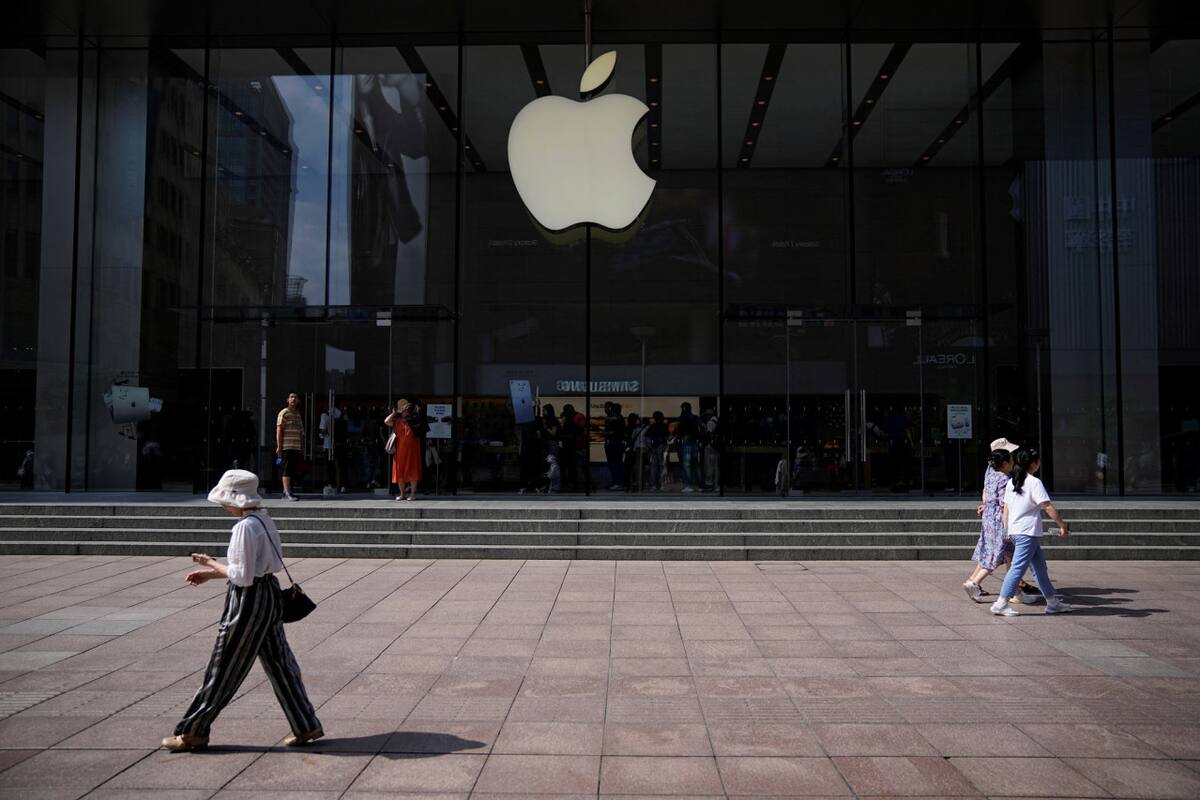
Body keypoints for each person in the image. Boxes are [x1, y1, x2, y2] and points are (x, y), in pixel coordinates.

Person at [161, 469, 322, 752]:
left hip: (249, 601)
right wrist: (210, 573)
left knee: (224, 666)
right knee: (280, 663)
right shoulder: (264, 519)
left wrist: (211, 564)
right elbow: (255, 568)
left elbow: (243, 577)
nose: (224, 507)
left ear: (234, 500)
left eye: (225, 501)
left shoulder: (245, 527)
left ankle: (194, 731)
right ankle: (305, 723)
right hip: (270, 595)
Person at [991, 448, 1073, 617]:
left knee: (1039, 568)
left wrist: (1007, 529)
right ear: (1034, 464)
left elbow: (1005, 507)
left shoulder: (1012, 481)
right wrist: (1062, 525)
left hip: (1018, 531)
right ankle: (1001, 603)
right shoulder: (1034, 482)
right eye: (1038, 461)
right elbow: (1047, 506)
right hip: (1026, 532)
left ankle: (1052, 602)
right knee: (1017, 569)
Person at [963, 446, 1016, 601]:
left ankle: (1015, 591)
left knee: (1005, 554)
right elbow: (1003, 503)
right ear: (1005, 463)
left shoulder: (990, 476)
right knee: (999, 554)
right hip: (1000, 520)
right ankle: (974, 582)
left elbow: (987, 495)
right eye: (1011, 460)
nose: (1013, 463)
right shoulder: (1005, 479)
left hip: (989, 518)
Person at [386, 399, 422, 501]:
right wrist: (393, 413)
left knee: (412, 471)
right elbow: (386, 421)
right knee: (400, 472)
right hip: (400, 450)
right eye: (404, 410)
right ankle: (402, 494)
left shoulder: (414, 420)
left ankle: (413, 494)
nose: (406, 412)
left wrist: (416, 413)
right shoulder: (397, 422)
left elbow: (421, 426)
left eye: (408, 410)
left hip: (413, 450)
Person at [275, 392, 303, 501]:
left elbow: (301, 431)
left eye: (295, 397)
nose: (293, 399)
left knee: (292, 470)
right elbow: (279, 430)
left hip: (296, 446)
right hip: (287, 446)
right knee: (286, 469)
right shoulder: (284, 413)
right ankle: (286, 493)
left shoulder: (297, 414)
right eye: (291, 397)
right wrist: (279, 446)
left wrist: (302, 446)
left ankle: (288, 491)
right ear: (287, 400)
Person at [675, 402, 701, 492]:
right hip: (694, 443)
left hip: (686, 442)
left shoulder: (682, 418)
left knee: (686, 465)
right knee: (696, 464)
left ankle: (688, 485)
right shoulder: (695, 418)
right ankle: (700, 484)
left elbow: (679, 431)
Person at [604, 402, 626, 490]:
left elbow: (611, 432)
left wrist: (604, 433)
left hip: (613, 443)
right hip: (615, 443)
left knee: (615, 463)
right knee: (616, 463)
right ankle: (616, 481)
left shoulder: (615, 419)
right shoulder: (619, 418)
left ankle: (617, 482)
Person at [645, 411, 669, 491]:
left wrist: (650, 447)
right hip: (662, 447)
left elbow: (647, 438)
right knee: (662, 466)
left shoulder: (652, 427)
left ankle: (653, 485)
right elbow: (667, 437)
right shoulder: (664, 426)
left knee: (653, 467)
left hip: (653, 448)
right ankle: (662, 485)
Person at [624, 412, 646, 492]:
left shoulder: (629, 428)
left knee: (629, 468)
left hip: (631, 450)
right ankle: (636, 484)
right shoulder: (639, 428)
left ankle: (630, 485)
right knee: (637, 468)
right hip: (635, 450)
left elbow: (629, 439)